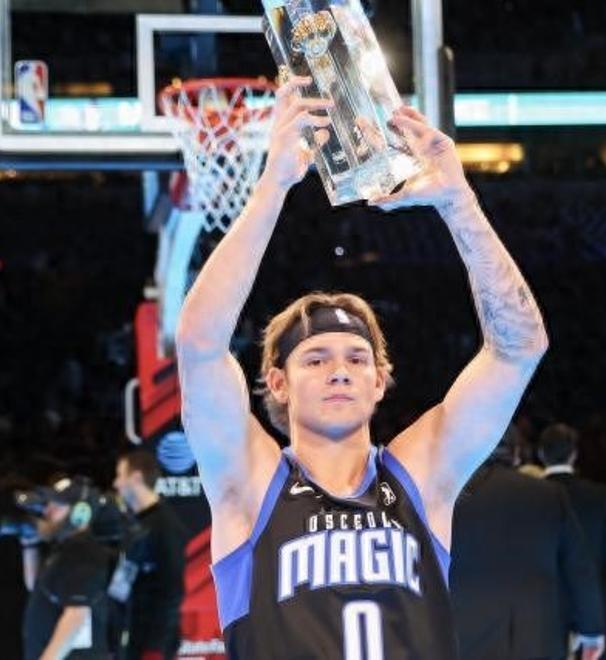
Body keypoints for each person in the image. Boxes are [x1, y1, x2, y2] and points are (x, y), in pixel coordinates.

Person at [175, 75, 549, 658]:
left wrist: (459, 202)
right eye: (316, 358)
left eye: (356, 358)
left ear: (380, 380)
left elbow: (519, 348)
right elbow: (199, 345)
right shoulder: (249, 483)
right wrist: (272, 185)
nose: (340, 371)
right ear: (277, 382)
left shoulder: (420, 476)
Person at [451, 444, 605, 660]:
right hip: (537, 639)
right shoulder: (549, 494)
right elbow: (579, 567)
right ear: (515, 455)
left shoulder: (448, 496)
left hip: (464, 640)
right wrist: (591, 630)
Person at [538, 423, 606, 636]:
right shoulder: (595, 496)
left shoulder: (529, 496)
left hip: (543, 607)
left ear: (541, 454)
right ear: (574, 454)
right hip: (588, 605)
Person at [22, 476, 114, 660]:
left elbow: (76, 616)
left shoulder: (82, 551)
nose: (47, 511)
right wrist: (29, 543)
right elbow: (35, 587)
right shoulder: (65, 549)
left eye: (57, 506)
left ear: (80, 513)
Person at [110, 448, 187, 660]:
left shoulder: (165, 526)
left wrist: (155, 648)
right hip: (130, 635)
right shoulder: (132, 524)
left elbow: (172, 591)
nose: (116, 484)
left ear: (136, 478)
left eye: (120, 475)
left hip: (152, 644)